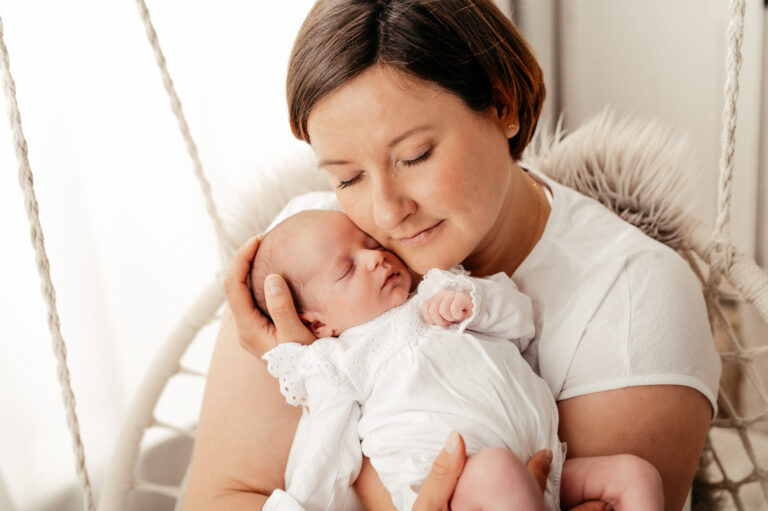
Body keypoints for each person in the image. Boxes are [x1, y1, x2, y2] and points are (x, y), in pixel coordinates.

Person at [182, 1, 721, 510]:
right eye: (347, 177)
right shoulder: (305, 267)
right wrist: (305, 371)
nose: (386, 213)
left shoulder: (631, 296)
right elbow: (219, 499)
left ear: (503, 105)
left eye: (414, 156)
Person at [248, 208, 664, 511]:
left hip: (547, 465)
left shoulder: (437, 289)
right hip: (462, 489)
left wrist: (473, 305)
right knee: (498, 469)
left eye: (370, 244)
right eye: (346, 269)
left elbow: (522, 325)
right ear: (316, 324)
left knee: (636, 475)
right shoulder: (340, 362)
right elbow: (326, 449)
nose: (374, 257)